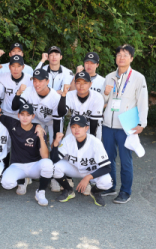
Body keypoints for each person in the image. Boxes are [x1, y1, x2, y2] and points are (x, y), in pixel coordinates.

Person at [101, 44, 148, 204]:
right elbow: (103, 101)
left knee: (125, 160)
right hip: (108, 124)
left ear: (131, 58)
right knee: (108, 158)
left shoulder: (138, 77)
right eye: (119, 54)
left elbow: (143, 102)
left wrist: (142, 123)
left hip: (126, 126)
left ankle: (125, 192)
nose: (121, 57)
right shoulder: (109, 76)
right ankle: (110, 186)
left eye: (125, 54)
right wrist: (106, 93)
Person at [0, 104, 53, 206]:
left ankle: (40, 192)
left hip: (34, 166)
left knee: (48, 163)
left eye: (28, 115)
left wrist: (41, 136)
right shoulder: (12, 124)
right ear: (18, 115)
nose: (25, 117)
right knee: (6, 184)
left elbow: (45, 156)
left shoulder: (39, 131)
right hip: (17, 165)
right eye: (22, 114)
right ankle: (22, 180)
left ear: (33, 116)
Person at [51, 115, 112, 206]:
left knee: (107, 182)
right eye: (73, 127)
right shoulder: (68, 139)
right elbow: (55, 159)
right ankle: (68, 190)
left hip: (92, 170)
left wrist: (88, 177)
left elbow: (107, 167)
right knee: (54, 167)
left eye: (80, 127)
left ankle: (95, 192)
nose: (76, 130)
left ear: (86, 128)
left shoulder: (95, 142)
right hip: (75, 169)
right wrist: (55, 144)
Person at [59, 71, 104, 140]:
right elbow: (61, 113)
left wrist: (91, 141)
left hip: (92, 126)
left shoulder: (97, 97)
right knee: (67, 146)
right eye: (78, 83)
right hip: (74, 125)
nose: (81, 86)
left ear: (90, 84)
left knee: (92, 147)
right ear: (74, 84)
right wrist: (64, 95)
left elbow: (94, 122)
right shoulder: (70, 95)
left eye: (85, 83)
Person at [0, 55, 32, 120]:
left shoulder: (30, 79)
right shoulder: (2, 76)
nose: (16, 69)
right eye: (13, 66)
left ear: (23, 67)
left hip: (22, 114)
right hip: (6, 113)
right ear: (9, 67)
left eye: (19, 66)